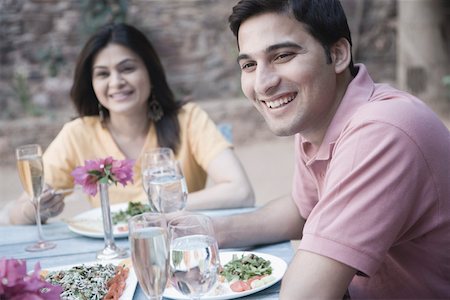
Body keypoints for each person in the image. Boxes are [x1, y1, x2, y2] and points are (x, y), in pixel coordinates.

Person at [211, 0, 450, 298]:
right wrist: (208, 231)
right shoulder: (320, 115)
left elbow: (305, 295)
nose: (263, 83)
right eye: (249, 65)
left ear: (337, 55)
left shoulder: (382, 132)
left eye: (283, 55)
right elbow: (303, 210)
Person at [9, 23, 254, 225]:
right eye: (103, 74)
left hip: (181, 248)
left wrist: (145, 211)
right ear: (92, 84)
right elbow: (17, 213)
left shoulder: (188, 119)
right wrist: (37, 210)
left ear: (150, 73)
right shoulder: (78, 134)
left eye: (127, 69)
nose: (116, 82)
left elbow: (240, 191)